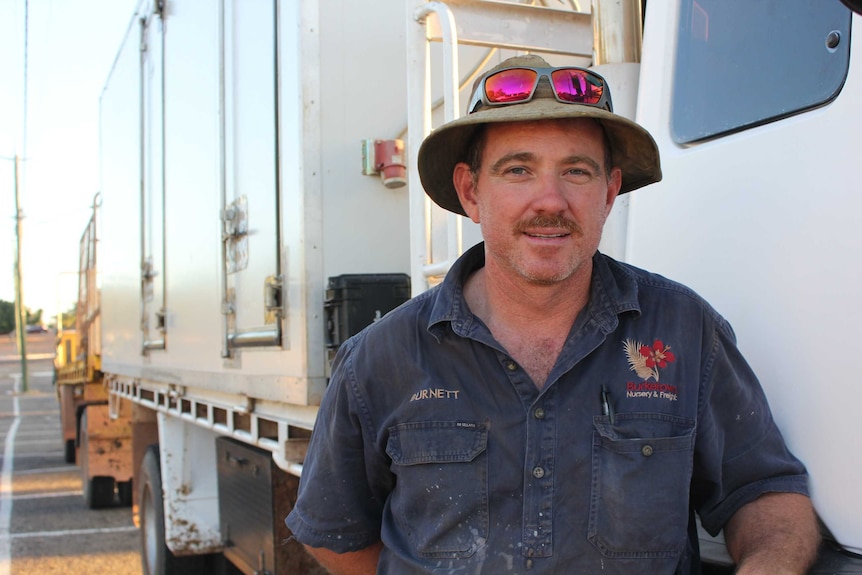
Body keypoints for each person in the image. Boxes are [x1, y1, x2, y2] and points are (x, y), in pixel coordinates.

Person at [286, 55, 820, 574]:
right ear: (472, 192)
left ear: (609, 192)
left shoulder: (687, 332)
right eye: (518, 169)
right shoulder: (380, 359)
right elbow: (336, 535)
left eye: (577, 171)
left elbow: (765, 495)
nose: (551, 200)